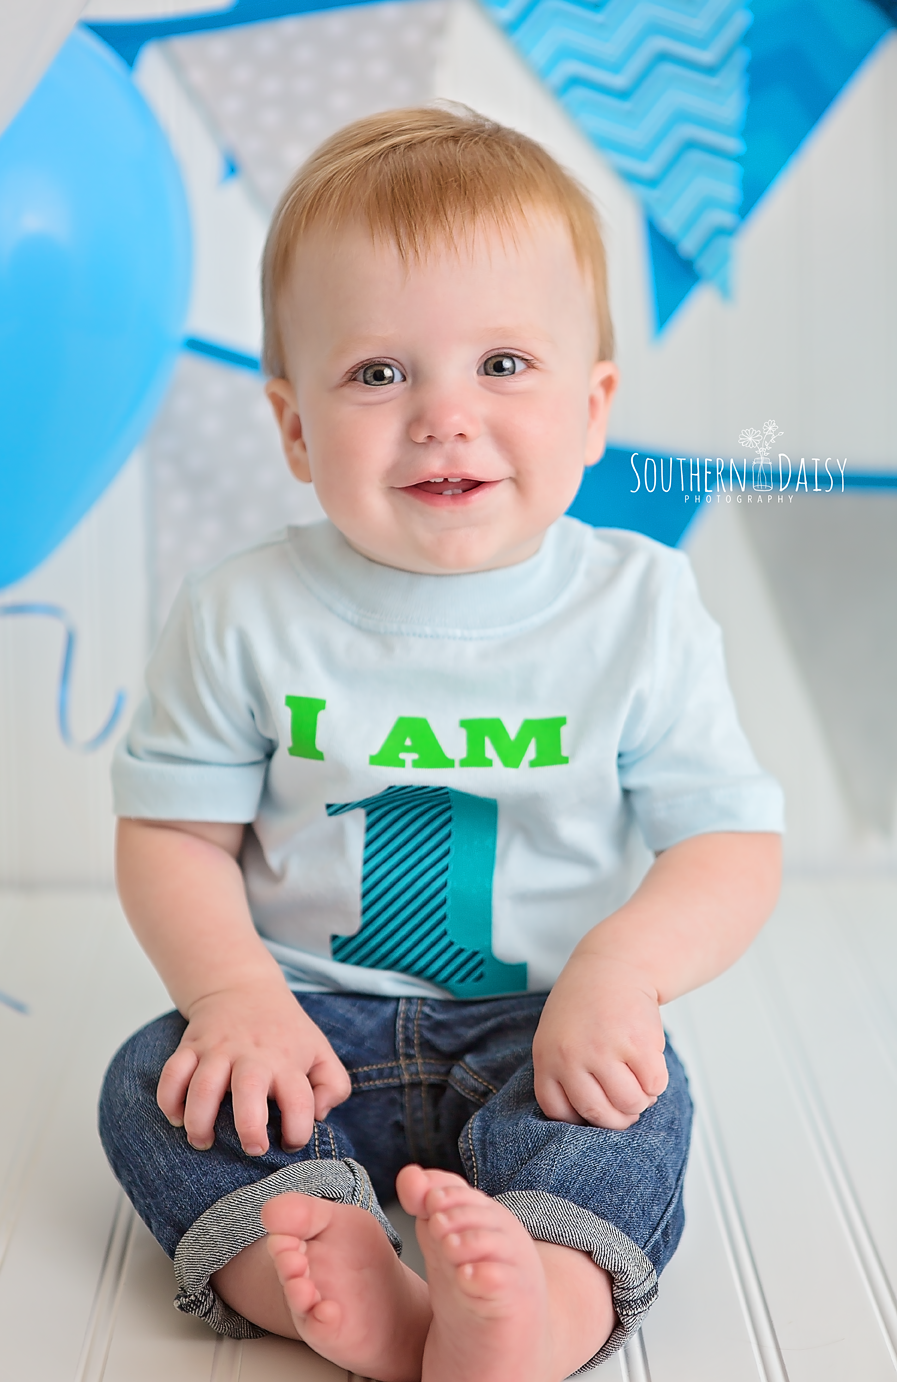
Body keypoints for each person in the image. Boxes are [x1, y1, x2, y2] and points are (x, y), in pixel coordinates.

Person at [100, 105, 784, 1381]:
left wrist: (621, 972)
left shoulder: (635, 607)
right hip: (303, 1023)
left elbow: (728, 841)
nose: (443, 416)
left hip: (542, 1026)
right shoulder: (242, 610)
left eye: (503, 366)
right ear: (294, 427)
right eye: (377, 373)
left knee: (634, 1107)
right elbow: (172, 833)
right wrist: (232, 996)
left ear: (592, 411)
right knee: (155, 1080)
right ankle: (319, 1265)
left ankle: (537, 1301)